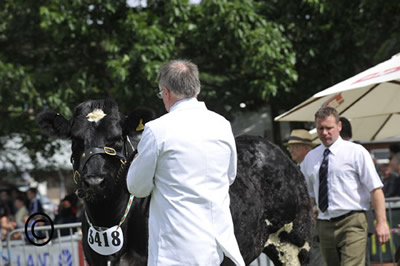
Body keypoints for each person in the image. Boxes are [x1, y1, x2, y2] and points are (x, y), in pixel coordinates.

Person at [126, 59, 245, 265]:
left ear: (166, 92)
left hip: (175, 248)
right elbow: (230, 176)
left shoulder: (157, 130)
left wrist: (137, 163)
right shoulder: (222, 125)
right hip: (217, 244)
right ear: (196, 89)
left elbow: (137, 187)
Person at [301, 107, 390, 266]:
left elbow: (375, 189)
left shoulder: (356, 152)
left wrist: (382, 223)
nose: (325, 133)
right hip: (324, 224)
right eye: (321, 128)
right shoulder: (311, 158)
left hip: (352, 221)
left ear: (339, 126)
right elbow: (307, 195)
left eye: (329, 128)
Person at [287, 129, 325, 266]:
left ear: (306, 148)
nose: (291, 150)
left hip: (315, 222)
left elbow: (314, 194)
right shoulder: (297, 167)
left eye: (294, 146)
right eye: (290, 147)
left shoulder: (315, 167)